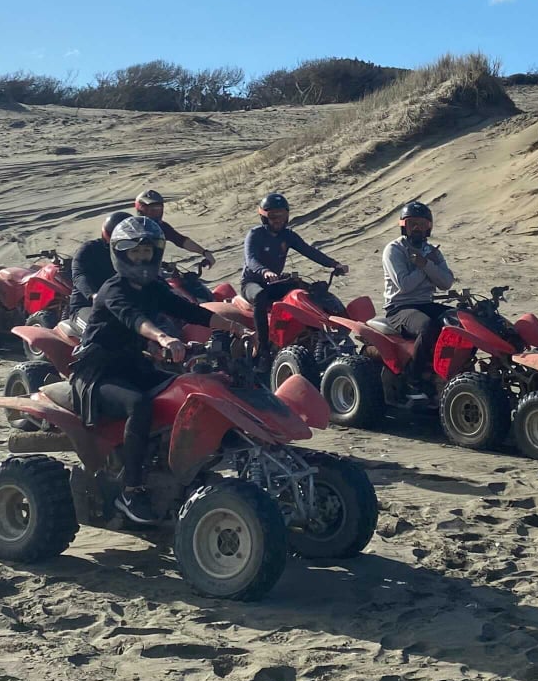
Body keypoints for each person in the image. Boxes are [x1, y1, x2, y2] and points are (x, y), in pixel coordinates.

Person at [74, 216, 247, 524]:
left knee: (188, 387)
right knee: (138, 404)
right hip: (97, 373)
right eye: (135, 252)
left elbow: (190, 311)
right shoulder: (112, 290)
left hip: (132, 365)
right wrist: (165, 338)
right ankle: (132, 489)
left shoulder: (154, 286)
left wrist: (235, 327)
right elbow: (134, 318)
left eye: (148, 252)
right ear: (121, 253)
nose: (143, 258)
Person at [241, 192, 346, 351]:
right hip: (252, 283)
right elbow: (251, 260)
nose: (278, 221)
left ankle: (314, 335)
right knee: (260, 296)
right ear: (264, 217)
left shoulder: (288, 235)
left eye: (282, 216)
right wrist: (265, 272)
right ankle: (263, 349)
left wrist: (333, 264)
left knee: (305, 290)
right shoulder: (255, 234)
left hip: (275, 282)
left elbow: (309, 251)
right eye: (274, 216)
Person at [381, 201, 456, 389]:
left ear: (428, 228)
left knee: (462, 321)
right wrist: (424, 267)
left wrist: (427, 264)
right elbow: (404, 285)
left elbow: (446, 282)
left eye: (421, 225)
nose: (416, 228)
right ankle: (415, 377)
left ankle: (452, 369)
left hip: (425, 303)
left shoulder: (432, 252)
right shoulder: (394, 250)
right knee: (427, 326)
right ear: (403, 226)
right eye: (412, 223)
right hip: (399, 307)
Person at [66, 210, 133, 333]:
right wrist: (93, 295)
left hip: (121, 306)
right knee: (99, 330)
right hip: (87, 306)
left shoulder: (134, 253)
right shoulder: (89, 250)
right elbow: (79, 276)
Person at [131, 189, 214, 271]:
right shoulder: (130, 228)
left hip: (154, 272)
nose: (154, 213)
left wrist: (204, 252)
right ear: (140, 209)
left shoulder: (161, 227)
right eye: (150, 210)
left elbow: (181, 240)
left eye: (157, 209)